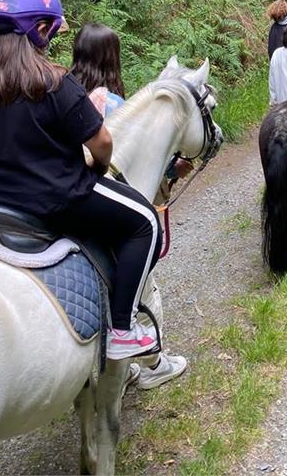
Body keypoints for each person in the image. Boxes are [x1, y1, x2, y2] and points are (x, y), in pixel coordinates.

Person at [0, 0, 162, 361]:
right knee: (145, 222)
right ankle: (123, 328)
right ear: (39, 29)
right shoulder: (53, 81)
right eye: (50, 29)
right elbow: (100, 142)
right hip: (54, 197)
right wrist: (100, 165)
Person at [71, 22, 188, 389]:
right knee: (144, 279)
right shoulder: (115, 104)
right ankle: (152, 361)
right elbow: (136, 158)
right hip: (106, 198)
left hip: (68, 196)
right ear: (111, 58)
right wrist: (174, 170)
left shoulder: (67, 93)